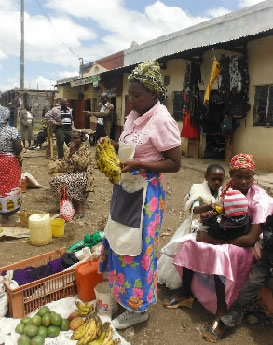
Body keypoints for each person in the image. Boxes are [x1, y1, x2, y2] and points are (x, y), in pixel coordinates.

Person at [99, 60, 182, 329]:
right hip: (126, 189)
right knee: (120, 242)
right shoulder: (134, 117)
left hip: (146, 195)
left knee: (138, 249)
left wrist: (140, 165)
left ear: (154, 93)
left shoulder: (162, 120)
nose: (131, 100)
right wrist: (110, 144)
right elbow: (130, 149)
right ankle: (124, 297)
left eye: (137, 95)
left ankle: (139, 308)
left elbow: (174, 163)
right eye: (130, 94)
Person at [163, 154, 273, 342]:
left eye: (248, 177)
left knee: (220, 253)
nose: (244, 181)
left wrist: (213, 240)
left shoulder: (259, 200)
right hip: (227, 235)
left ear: (253, 176)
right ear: (232, 174)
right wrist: (211, 216)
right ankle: (185, 292)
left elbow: (250, 238)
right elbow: (222, 211)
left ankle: (222, 309)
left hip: (247, 245)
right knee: (191, 241)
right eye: (239, 176)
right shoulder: (230, 188)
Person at [158, 164, 225, 290]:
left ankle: (198, 288)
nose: (217, 182)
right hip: (195, 228)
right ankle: (184, 286)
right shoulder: (198, 189)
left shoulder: (221, 191)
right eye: (213, 179)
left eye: (220, 180)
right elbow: (195, 208)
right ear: (206, 177)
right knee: (185, 255)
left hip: (212, 228)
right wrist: (212, 206)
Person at [220, 213, 273, 329]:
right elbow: (268, 229)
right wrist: (265, 242)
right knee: (254, 280)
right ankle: (237, 310)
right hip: (268, 258)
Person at [49, 130, 93, 218]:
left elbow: (82, 165)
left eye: (76, 138)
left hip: (83, 175)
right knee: (54, 181)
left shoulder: (86, 149)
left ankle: (79, 207)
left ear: (82, 139)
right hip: (71, 174)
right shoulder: (69, 149)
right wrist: (54, 166)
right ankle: (66, 204)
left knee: (69, 181)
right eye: (72, 138)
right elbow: (65, 163)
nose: (73, 140)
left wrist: (73, 153)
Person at [0, 105, 23, 226]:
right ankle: (4, 218)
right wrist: (16, 154)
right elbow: (18, 147)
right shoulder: (12, 130)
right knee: (8, 188)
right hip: (8, 161)